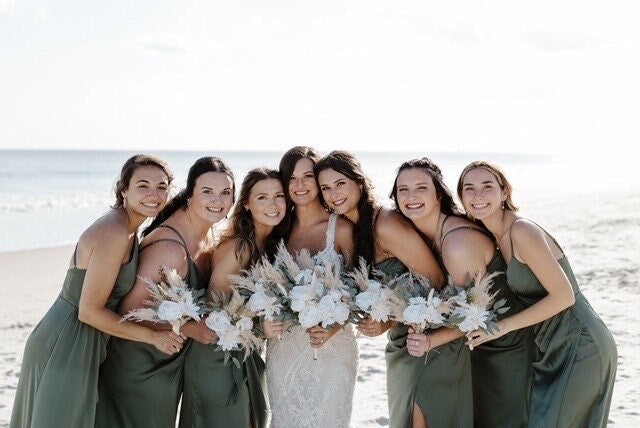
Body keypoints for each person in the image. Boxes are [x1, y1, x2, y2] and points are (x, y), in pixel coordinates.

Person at [10, 154, 180, 428]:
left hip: (84, 338)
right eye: (143, 186)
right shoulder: (113, 231)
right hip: (67, 340)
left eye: (161, 186)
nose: (154, 194)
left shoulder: (129, 230)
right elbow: (89, 311)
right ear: (124, 190)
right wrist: (152, 337)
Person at [460, 161, 617, 428]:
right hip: (549, 347)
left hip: (580, 342)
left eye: (487, 186)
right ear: (462, 198)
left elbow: (564, 296)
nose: (478, 195)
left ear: (504, 193)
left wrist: (501, 328)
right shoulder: (495, 237)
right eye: (469, 188)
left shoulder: (522, 231)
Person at [391, 158, 534, 427]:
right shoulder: (421, 233)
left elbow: (477, 315)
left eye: (421, 188)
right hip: (472, 344)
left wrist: (430, 342)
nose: (411, 197)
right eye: (403, 190)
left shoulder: (457, 243)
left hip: (502, 344)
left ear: (438, 195)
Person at [315, 151, 450, 428]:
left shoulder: (385, 223)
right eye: (325, 188)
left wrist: (389, 320)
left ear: (359, 182)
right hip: (404, 339)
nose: (333, 194)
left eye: (340, 183)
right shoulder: (351, 227)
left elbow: (435, 281)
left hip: (427, 338)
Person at [96, 157, 231, 427]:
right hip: (140, 365)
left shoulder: (208, 236)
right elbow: (129, 314)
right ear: (189, 195)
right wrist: (190, 329)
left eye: (225, 192)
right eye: (207, 191)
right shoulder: (169, 249)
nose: (217, 200)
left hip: (168, 362)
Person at [180, 167, 285, 428]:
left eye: (279, 196)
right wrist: (261, 326)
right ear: (247, 204)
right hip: (216, 357)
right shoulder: (240, 247)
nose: (272, 205)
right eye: (262, 197)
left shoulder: (270, 244)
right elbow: (214, 315)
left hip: (245, 352)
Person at [263, 146, 357, 428]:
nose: (300, 185)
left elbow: (360, 290)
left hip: (331, 346)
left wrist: (334, 327)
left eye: (307, 176)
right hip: (283, 349)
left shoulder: (340, 229)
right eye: (292, 178)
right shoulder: (276, 230)